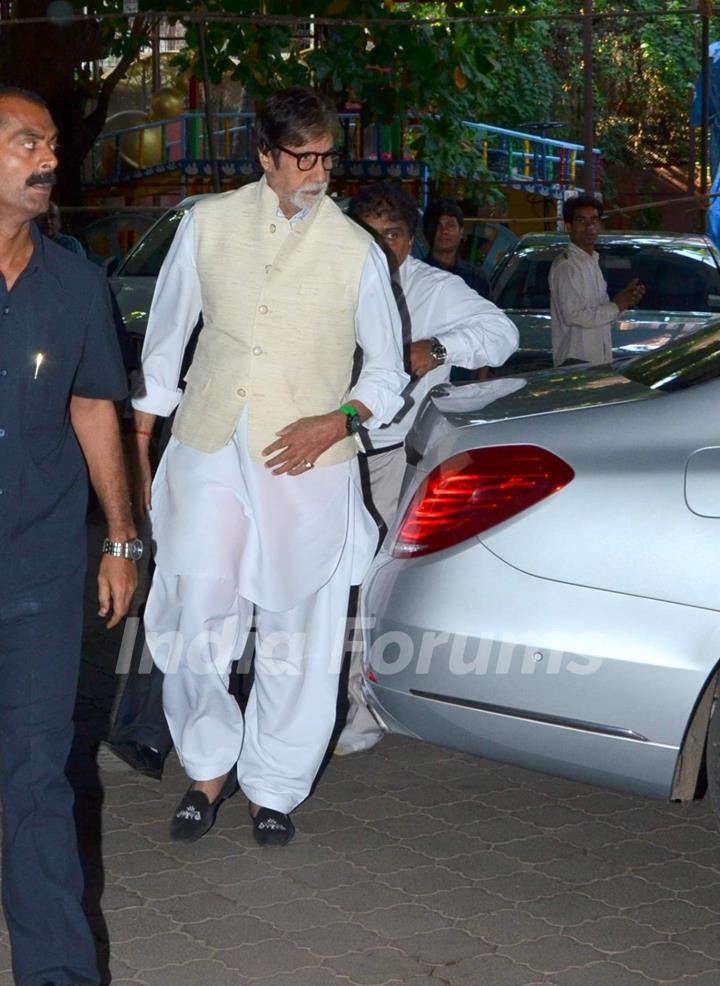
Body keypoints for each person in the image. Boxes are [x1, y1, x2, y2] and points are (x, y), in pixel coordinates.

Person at [130, 86, 407, 847]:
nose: (318, 172)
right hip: (210, 442)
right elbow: (168, 331)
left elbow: (386, 371)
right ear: (265, 154)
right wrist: (147, 424)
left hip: (305, 463)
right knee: (195, 609)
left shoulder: (355, 249)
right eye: (303, 157)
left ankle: (275, 786)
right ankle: (207, 768)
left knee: (299, 627)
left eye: (327, 157)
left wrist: (339, 418)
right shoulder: (207, 223)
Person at [0, 86, 138, 986]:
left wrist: (122, 540)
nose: (48, 158)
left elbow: (95, 410)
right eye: (25, 143)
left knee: (37, 780)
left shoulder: (76, 283)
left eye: (50, 143)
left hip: (41, 572)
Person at [335, 181, 519, 755]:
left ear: (410, 239)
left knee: (368, 587)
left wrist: (435, 349)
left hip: (388, 455)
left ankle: (363, 709)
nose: (380, 247)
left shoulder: (434, 288)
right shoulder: (331, 279)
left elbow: (502, 334)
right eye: (367, 234)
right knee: (318, 585)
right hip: (323, 453)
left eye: (391, 235)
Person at [549, 194, 645, 367]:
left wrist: (623, 300)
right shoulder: (567, 266)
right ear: (568, 226)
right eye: (581, 221)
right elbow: (574, 315)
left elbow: (598, 311)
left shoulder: (592, 261)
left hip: (597, 360)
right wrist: (617, 305)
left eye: (594, 220)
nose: (589, 226)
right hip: (576, 362)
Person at [422, 197, 491, 298]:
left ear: (461, 232)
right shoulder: (417, 275)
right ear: (428, 231)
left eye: (450, 225)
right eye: (438, 225)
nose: (444, 231)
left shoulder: (476, 279)